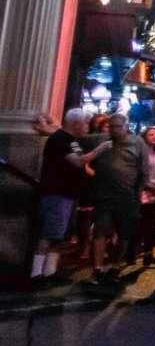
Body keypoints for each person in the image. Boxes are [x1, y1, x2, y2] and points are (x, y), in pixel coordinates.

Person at [31, 109, 108, 285]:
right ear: (76, 123)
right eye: (85, 123)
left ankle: (50, 272)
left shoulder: (71, 140)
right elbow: (77, 161)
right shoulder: (59, 139)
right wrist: (99, 150)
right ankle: (36, 275)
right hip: (57, 193)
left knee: (60, 236)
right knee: (48, 234)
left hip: (70, 194)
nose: (88, 126)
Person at [88, 113, 147, 285]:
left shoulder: (137, 143)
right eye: (111, 126)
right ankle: (97, 268)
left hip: (126, 195)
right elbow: (78, 145)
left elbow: (143, 171)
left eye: (117, 127)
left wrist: (138, 193)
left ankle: (115, 266)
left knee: (124, 232)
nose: (114, 130)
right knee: (100, 229)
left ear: (125, 126)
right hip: (104, 195)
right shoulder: (102, 141)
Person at [136, 126, 155, 267]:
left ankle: (148, 251)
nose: (154, 137)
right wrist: (150, 186)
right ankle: (137, 251)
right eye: (150, 134)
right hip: (144, 192)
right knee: (144, 222)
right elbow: (140, 173)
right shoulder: (142, 153)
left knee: (151, 223)